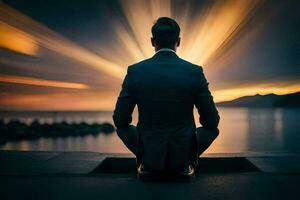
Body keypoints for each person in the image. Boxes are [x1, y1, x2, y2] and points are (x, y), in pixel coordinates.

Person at [113, 17, 220, 179]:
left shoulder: (135, 71)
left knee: (121, 127)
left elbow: (120, 120)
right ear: (178, 41)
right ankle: (188, 162)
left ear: (152, 41)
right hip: (182, 155)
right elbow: (211, 121)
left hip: (150, 155)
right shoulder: (194, 72)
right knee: (212, 129)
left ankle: (146, 162)